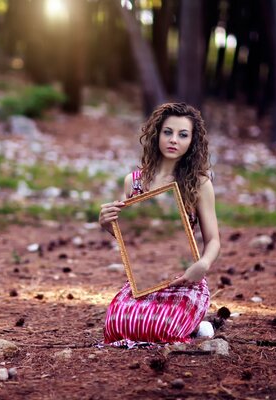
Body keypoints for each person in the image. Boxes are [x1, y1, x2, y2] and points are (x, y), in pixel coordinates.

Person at [98, 102, 220, 347]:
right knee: (117, 324)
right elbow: (134, 239)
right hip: (146, 279)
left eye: (182, 135)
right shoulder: (133, 182)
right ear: (156, 135)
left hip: (184, 278)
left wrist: (202, 265)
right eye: (168, 132)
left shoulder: (199, 183)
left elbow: (213, 240)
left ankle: (196, 325)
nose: (174, 139)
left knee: (160, 328)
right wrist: (108, 224)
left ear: (192, 142)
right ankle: (190, 325)